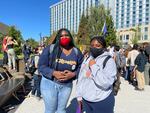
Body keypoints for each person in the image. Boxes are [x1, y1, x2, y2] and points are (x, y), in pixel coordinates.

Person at [38, 28, 83, 113]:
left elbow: (82, 67)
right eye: (61, 36)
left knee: (61, 110)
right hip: (49, 83)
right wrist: (53, 73)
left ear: (70, 37)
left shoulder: (76, 51)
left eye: (66, 35)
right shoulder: (50, 49)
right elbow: (41, 66)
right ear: (58, 38)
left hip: (66, 86)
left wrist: (73, 74)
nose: (64, 37)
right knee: (50, 110)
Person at [76, 36, 117, 113]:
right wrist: (79, 95)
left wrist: (94, 66)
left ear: (104, 47)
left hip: (102, 100)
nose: (94, 47)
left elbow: (106, 82)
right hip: (86, 100)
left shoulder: (109, 61)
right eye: (92, 45)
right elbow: (81, 78)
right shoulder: (87, 58)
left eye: (98, 46)